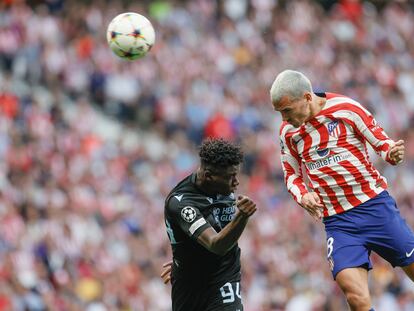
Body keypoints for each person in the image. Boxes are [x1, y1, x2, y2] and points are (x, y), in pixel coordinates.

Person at [270, 69, 414, 311]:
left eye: (286, 111)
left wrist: (393, 152)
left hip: (375, 207)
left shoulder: (346, 108)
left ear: (306, 97)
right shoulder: (288, 132)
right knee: (356, 298)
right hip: (339, 222)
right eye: (280, 113)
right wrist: (302, 195)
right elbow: (291, 175)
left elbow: (382, 143)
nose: (284, 119)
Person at [162, 138, 257, 311]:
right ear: (208, 176)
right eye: (230, 177)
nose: (236, 182)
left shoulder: (222, 187)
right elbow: (216, 244)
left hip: (224, 276)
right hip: (189, 287)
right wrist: (242, 216)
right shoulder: (182, 203)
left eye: (236, 174)